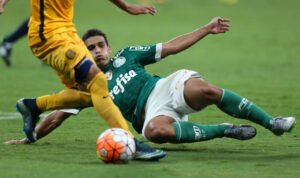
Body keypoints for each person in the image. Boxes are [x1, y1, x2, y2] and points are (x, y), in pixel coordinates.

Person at [6, 17, 295, 146]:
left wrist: (206, 29)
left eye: (100, 45)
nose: (97, 51)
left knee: (207, 90)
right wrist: (29, 137)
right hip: (152, 115)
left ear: (108, 46)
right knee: (155, 133)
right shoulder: (85, 83)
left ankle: (273, 123)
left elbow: (171, 46)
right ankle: (225, 130)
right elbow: (57, 117)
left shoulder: (128, 55)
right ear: (85, 52)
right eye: (90, 48)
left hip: (164, 87)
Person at [2, 0, 167, 160]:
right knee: (98, 81)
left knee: (86, 92)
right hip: (49, 36)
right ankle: (130, 142)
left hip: (68, 33)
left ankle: (34, 106)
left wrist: (126, 6)